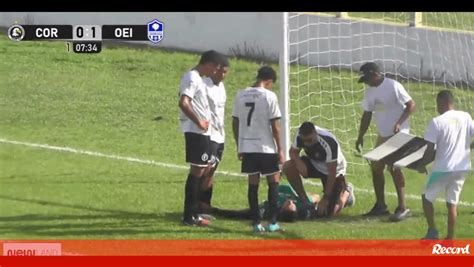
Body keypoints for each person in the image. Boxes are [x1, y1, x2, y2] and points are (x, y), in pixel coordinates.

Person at [355, 62, 416, 221]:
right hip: (384, 135)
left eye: (367, 78)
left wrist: (399, 123)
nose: (366, 82)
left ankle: (403, 207)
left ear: (375, 74)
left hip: (399, 132)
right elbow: (367, 115)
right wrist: (360, 136)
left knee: (394, 167)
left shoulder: (394, 86)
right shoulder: (370, 92)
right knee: (376, 166)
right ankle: (380, 206)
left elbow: (411, 105)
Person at [232, 66, 285, 232]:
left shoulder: (240, 94)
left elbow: (235, 122)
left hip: (248, 146)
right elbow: (275, 125)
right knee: (273, 182)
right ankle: (273, 222)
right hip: (266, 147)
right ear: (269, 81)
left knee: (253, 184)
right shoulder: (269, 96)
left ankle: (256, 223)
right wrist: (280, 149)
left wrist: (239, 144)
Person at [417, 90, 473, 240]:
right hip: (462, 167)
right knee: (452, 204)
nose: (437, 107)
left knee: (426, 197)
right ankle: (449, 239)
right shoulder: (465, 117)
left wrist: (421, 164)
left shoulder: (437, 122)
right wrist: (469, 147)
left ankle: (432, 231)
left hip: (443, 168)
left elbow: (430, 150)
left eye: (437, 104)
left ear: (442, 102)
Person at [178, 50, 223, 226]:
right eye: (215, 68)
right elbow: (183, 102)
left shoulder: (198, 79)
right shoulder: (192, 77)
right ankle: (189, 216)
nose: (215, 72)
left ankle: (193, 213)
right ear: (209, 64)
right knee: (197, 172)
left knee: (201, 170)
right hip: (196, 132)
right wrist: (198, 122)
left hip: (202, 133)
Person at [283, 121, 355, 218]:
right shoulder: (300, 135)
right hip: (314, 163)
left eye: (309, 140)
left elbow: (332, 174)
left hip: (334, 171)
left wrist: (325, 199)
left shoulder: (329, 142)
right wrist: (299, 163)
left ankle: (346, 193)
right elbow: (293, 152)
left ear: (315, 133)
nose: (306, 144)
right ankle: (304, 200)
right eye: (304, 141)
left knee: (327, 213)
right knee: (288, 166)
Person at [198, 55, 230, 208]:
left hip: (220, 136)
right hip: (209, 136)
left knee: (212, 171)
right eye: (220, 71)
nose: (222, 75)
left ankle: (205, 205)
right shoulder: (204, 85)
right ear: (214, 70)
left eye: (225, 72)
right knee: (205, 169)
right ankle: (196, 205)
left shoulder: (221, 87)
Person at [199, 184, 321, 222]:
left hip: (274, 185)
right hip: (297, 190)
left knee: (240, 214)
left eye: (288, 205)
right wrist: (308, 196)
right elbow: (317, 197)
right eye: (292, 204)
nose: (290, 202)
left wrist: (215, 210)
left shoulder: (268, 210)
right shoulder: (302, 208)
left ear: (282, 209)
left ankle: (210, 209)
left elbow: (239, 214)